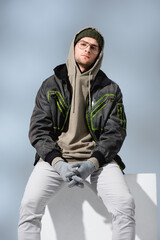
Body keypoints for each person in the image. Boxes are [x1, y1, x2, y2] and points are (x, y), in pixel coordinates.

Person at [18, 27, 135, 240]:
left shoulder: (111, 90)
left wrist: (93, 163)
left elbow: (115, 132)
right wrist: (57, 163)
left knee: (125, 205)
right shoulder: (50, 85)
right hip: (56, 160)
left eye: (93, 47)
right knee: (29, 207)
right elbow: (38, 129)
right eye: (83, 44)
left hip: (98, 161)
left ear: (99, 53)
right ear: (74, 47)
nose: (87, 50)